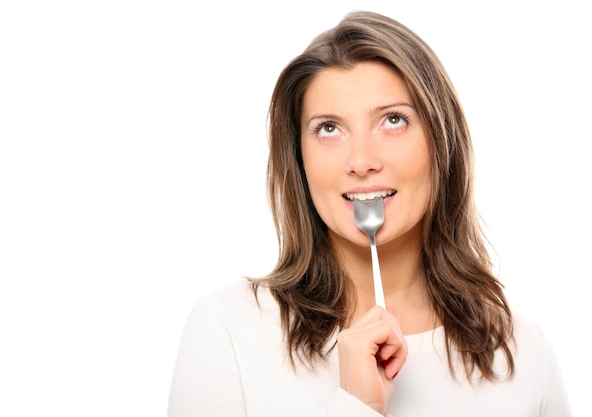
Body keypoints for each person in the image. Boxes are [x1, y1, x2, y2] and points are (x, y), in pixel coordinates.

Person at [167, 10, 571, 417]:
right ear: (299, 159)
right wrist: (357, 406)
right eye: (329, 128)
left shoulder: (522, 355)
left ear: (442, 143)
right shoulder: (229, 331)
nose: (360, 161)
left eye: (392, 120)